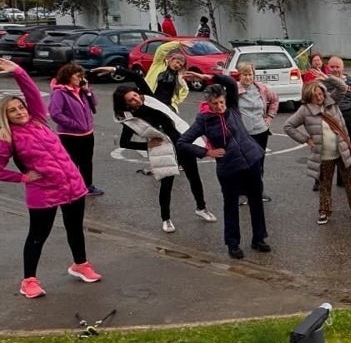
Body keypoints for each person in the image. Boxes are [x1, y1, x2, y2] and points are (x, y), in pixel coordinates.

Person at [0, 58, 101, 298]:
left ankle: (80, 264)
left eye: (20, 107)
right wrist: (23, 178)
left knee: (75, 228)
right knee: (37, 236)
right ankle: (29, 281)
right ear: (6, 117)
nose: (20, 112)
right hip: (43, 192)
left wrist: (18, 71)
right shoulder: (7, 137)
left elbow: (32, 93)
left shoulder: (38, 120)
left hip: (73, 185)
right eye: (13, 111)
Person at [109, 67, 217, 234]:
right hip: (164, 149)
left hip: (181, 142)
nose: (136, 99)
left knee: (194, 177)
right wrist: (146, 146)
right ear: (125, 104)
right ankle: (166, 219)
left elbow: (137, 78)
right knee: (166, 185)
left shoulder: (149, 99)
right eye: (131, 100)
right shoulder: (131, 120)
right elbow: (124, 142)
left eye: (136, 95)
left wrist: (116, 69)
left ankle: (201, 208)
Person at [177, 75, 270, 259]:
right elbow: (182, 142)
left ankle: (259, 238)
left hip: (251, 160)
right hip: (229, 168)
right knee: (231, 205)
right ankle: (232, 243)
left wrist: (211, 77)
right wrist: (206, 152)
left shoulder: (233, 108)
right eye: (215, 104)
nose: (219, 106)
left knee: (256, 199)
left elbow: (230, 85)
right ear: (208, 104)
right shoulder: (203, 120)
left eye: (221, 102)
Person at [283, 79, 351, 225]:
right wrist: (306, 139)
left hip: (342, 151)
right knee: (325, 185)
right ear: (309, 96)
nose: (320, 97)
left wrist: (326, 77)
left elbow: (342, 87)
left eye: (321, 94)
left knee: (350, 182)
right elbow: (288, 126)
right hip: (323, 155)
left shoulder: (331, 101)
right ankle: (324, 212)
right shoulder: (305, 110)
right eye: (316, 95)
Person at [49, 63, 102, 196]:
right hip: (70, 135)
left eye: (81, 76)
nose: (80, 78)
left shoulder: (81, 90)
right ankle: (71, 187)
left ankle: (87, 185)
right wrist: (74, 124)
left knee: (86, 161)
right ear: (68, 76)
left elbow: (94, 103)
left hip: (87, 133)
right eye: (77, 76)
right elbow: (55, 113)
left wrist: (88, 90)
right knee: (72, 162)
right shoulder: (59, 92)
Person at [235, 62, 279, 200]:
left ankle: (258, 190)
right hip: (243, 133)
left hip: (261, 131)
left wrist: (270, 117)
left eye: (250, 74)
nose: (248, 78)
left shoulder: (261, 88)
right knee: (243, 163)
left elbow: (275, 100)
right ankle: (242, 192)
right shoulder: (234, 89)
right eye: (245, 75)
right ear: (239, 75)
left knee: (259, 162)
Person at [147, 40, 204, 110]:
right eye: (177, 62)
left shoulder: (178, 76)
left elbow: (185, 90)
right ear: (172, 59)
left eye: (180, 65)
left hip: (167, 106)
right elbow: (161, 49)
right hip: (151, 102)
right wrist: (178, 44)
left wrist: (175, 102)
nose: (178, 66)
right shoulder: (159, 64)